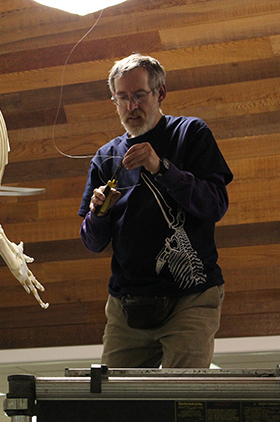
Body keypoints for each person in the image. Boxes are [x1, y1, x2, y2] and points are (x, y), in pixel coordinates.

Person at [78, 53, 233, 368]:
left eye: (138, 96)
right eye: (122, 98)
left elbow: (215, 205)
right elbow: (92, 242)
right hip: (127, 303)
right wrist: (99, 212)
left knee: (181, 401)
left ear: (160, 94)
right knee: (115, 404)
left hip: (191, 296)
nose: (131, 107)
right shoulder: (106, 157)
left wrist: (162, 168)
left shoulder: (190, 134)